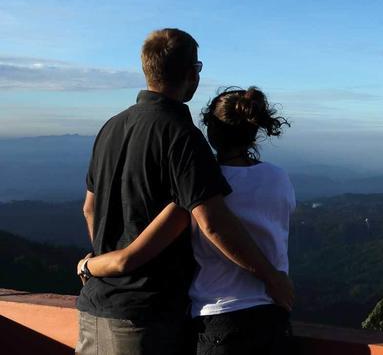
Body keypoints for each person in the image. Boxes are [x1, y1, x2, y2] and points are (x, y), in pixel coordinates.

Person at [76, 29, 293, 355]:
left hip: (94, 306)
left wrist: (102, 263)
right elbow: (213, 223)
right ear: (192, 73)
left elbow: (89, 208)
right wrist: (272, 279)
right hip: (147, 315)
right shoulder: (181, 134)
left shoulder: (110, 127)